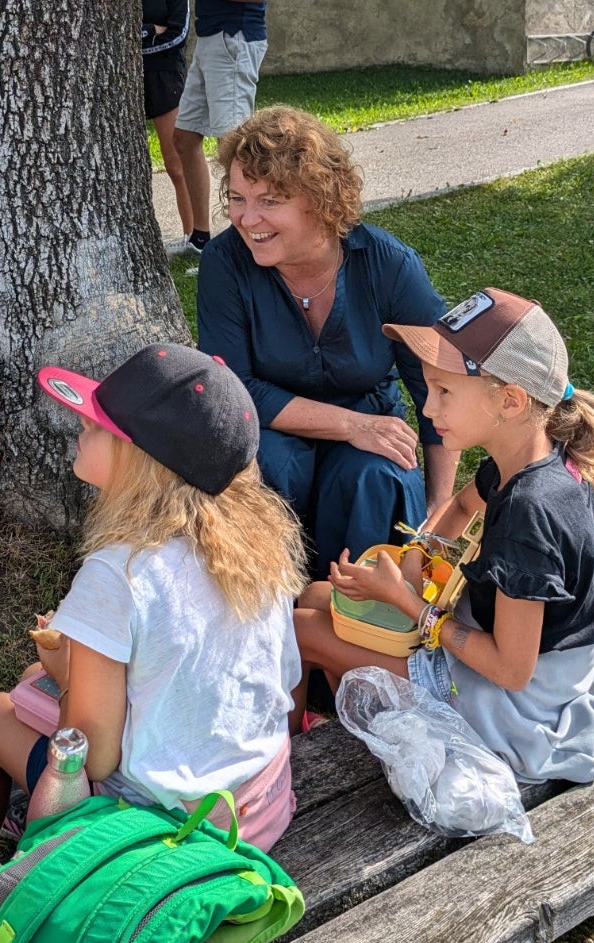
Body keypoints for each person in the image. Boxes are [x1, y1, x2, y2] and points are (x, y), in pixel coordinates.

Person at [0, 343, 307, 864]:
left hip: (161, 837)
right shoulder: (262, 547)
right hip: (256, 811)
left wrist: (69, 672)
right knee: (40, 675)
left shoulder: (118, 573)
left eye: (97, 424)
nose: (80, 425)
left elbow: (94, 757)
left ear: (141, 456)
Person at [293, 288, 594, 782]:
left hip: (515, 708)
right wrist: (420, 553)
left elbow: (511, 671)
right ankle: (374, 727)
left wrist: (407, 602)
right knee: (318, 596)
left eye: (444, 392)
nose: (428, 409)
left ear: (509, 400)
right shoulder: (530, 458)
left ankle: (286, 774)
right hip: (504, 664)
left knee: (300, 630)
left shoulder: (531, 514)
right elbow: (461, 505)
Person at [197, 105, 457, 578]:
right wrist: (352, 425)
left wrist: (439, 507)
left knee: (379, 475)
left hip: (368, 424)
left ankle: (363, 625)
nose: (246, 218)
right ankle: (275, 613)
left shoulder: (389, 266)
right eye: (237, 198)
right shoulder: (224, 264)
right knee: (266, 464)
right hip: (273, 429)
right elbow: (234, 390)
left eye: (270, 201)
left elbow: (439, 384)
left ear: (318, 199)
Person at [168, 0, 268, 258]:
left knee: (237, 149)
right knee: (184, 137)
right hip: (211, 38)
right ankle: (200, 240)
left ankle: (247, 240)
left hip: (234, 38)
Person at [142, 1, 193, 245]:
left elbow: (178, 35)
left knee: (176, 164)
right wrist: (153, 30)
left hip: (167, 77)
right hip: (129, 77)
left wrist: (144, 35)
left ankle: (192, 236)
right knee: (131, 164)